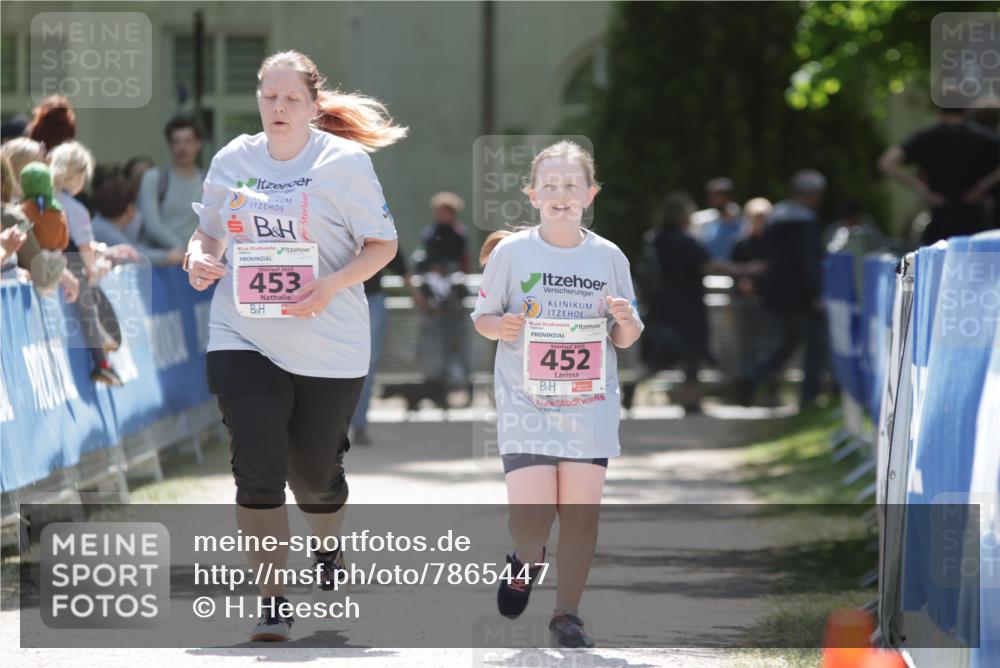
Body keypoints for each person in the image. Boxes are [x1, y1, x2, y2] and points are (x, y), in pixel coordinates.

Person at [184, 49, 405, 642]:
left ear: (312, 106)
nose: (278, 108)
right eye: (269, 97)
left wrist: (329, 285)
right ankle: (273, 603)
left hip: (329, 344)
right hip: (243, 333)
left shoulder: (344, 163)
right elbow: (209, 230)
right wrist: (201, 257)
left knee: (315, 478)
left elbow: (382, 245)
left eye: (291, 99)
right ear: (259, 98)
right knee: (256, 468)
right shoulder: (234, 158)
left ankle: (328, 547)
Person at [471, 141, 642, 648]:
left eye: (571, 186)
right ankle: (527, 558)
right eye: (550, 185)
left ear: (589, 195)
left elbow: (624, 335)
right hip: (527, 405)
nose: (561, 194)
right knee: (530, 521)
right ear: (532, 194)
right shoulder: (511, 253)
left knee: (581, 515)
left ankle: (567, 613)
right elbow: (481, 319)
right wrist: (499, 325)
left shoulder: (608, 256)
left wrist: (628, 321)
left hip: (589, 406)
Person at [637, 192, 764, 412]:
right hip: (687, 306)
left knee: (660, 357)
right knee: (693, 353)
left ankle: (634, 383)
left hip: (661, 305)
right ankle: (691, 400)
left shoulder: (656, 238)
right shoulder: (684, 240)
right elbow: (709, 265)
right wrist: (748, 269)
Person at [734, 169, 827, 408]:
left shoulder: (775, 218)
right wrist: (816, 292)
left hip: (776, 294)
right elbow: (808, 261)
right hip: (803, 296)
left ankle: (752, 377)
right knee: (814, 345)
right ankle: (808, 398)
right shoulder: (805, 222)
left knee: (786, 342)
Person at [50, 140, 124, 386]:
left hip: (45, 263)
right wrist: (94, 271)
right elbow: (84, 248)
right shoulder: (76, 209)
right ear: (80, 176)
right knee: (89, 312)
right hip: (72, 267)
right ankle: (102, 363)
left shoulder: (40, 202)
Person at [879, 105, 1000, 245]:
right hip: (974, 219)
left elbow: (886, 163)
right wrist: (982, 187)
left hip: (940, 217)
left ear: (939, 111)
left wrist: (922, 190)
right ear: (966, 110)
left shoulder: (925, 137)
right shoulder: (984, 138)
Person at [350, 246, 426, 445]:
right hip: (336, 297)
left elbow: (399, 266)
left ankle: (359, 425)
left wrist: (419, 299)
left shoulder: (376, 225)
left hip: (371, 299)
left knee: (367, 364)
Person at [137, 116, 205, 249]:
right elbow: (152, 225)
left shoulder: (208, 180)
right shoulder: (154, 178)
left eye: (188, 141)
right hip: (162, 260)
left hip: (196, 260)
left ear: (198, 144)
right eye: (176, 142)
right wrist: (184, 250)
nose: (182, 147)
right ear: (170, 145)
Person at [91, 175, 183, 267]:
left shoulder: (103, 223)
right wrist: (168, 257)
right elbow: (133, 254)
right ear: (129, 209)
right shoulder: (101, 228)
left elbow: (135, 246)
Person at [691, 177, 747, 260]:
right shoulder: (703, 223)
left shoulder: (743, 225)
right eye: (714, 195)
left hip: (735, 270)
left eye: (721, 194)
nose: (717, 199)